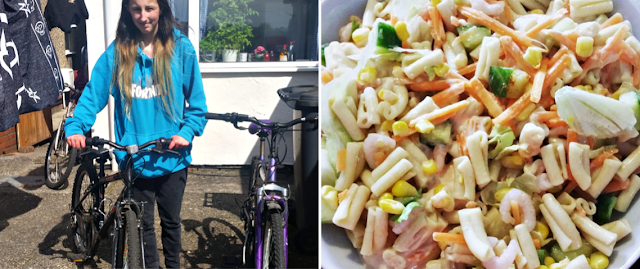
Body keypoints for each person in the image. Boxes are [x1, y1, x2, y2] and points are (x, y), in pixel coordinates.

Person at [65, 0, 208, 267]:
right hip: (136, 159)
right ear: (128, 11)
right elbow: (93, 96)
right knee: (144, 227)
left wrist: (187, 131)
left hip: (172, 158)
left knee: (171, 222)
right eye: (136, 9)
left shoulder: (182, 50)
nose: (143, 16)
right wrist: (75, 127)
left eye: (150, 8)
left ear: (162, 9)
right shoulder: (117, 54)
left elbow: (198, 107)